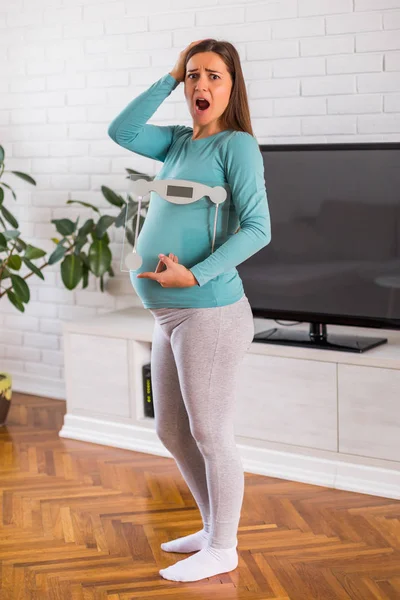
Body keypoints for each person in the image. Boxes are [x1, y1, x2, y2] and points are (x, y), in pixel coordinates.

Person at [108, 38, 271, 583]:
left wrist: (196, 273)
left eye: (214, 76)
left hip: (210, 313)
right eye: (194, 76)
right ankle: (211, 527)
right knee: (172, 432)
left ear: (233, 85)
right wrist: (168, 75)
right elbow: (122, 131)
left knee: (211, 434)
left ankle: (224, 547)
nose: (202, 85)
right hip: (168, 316)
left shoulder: (237, 146)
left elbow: (258, 229)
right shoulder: (176, 143)